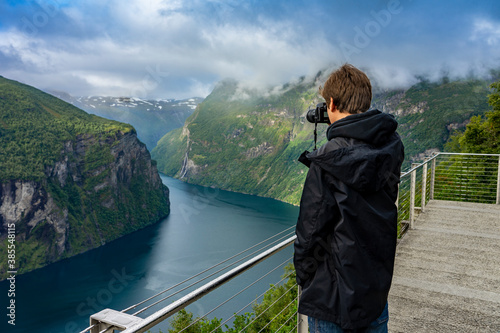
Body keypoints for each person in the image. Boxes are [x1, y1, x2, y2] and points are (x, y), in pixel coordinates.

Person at [294, 64, 404, 333]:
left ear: (331, 103)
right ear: (365, 102)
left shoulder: (328, 158)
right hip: (374, 294)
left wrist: (305, 277)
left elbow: (310, 231)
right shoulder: (391, 147)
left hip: (332, 301)